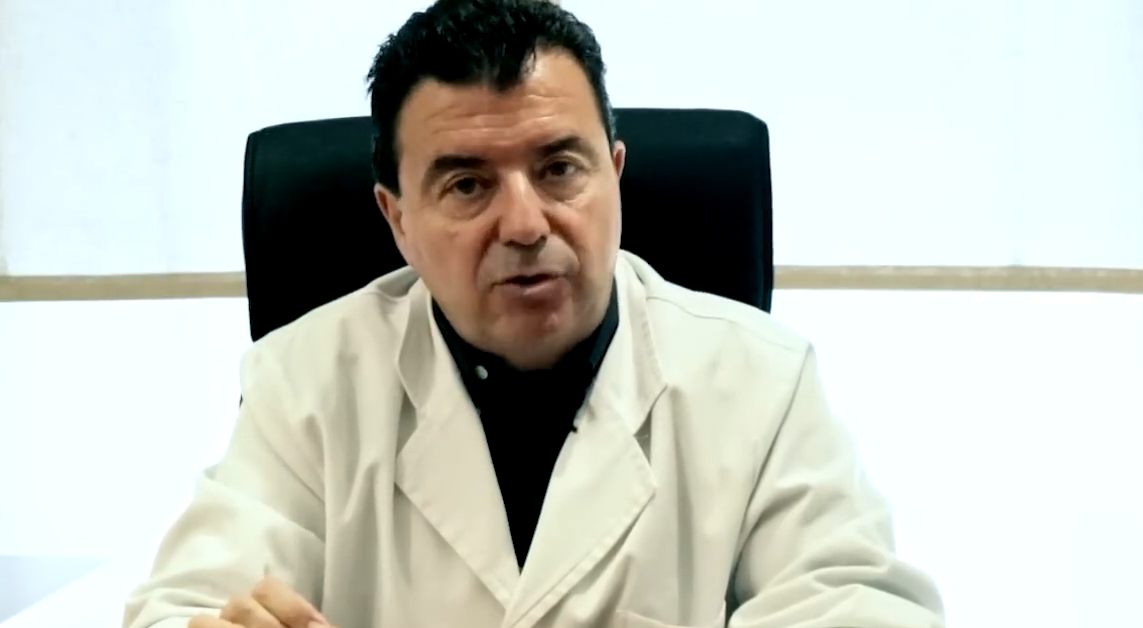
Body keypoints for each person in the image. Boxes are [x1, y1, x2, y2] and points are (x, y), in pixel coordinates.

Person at [123, 1, 945, 627]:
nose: (524, 225)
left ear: (615, 175)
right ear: (397, 220)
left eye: (559, 170)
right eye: (467, 184)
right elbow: (182, 607)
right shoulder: (305, 384)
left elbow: (860, 605)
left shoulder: (760, 380)